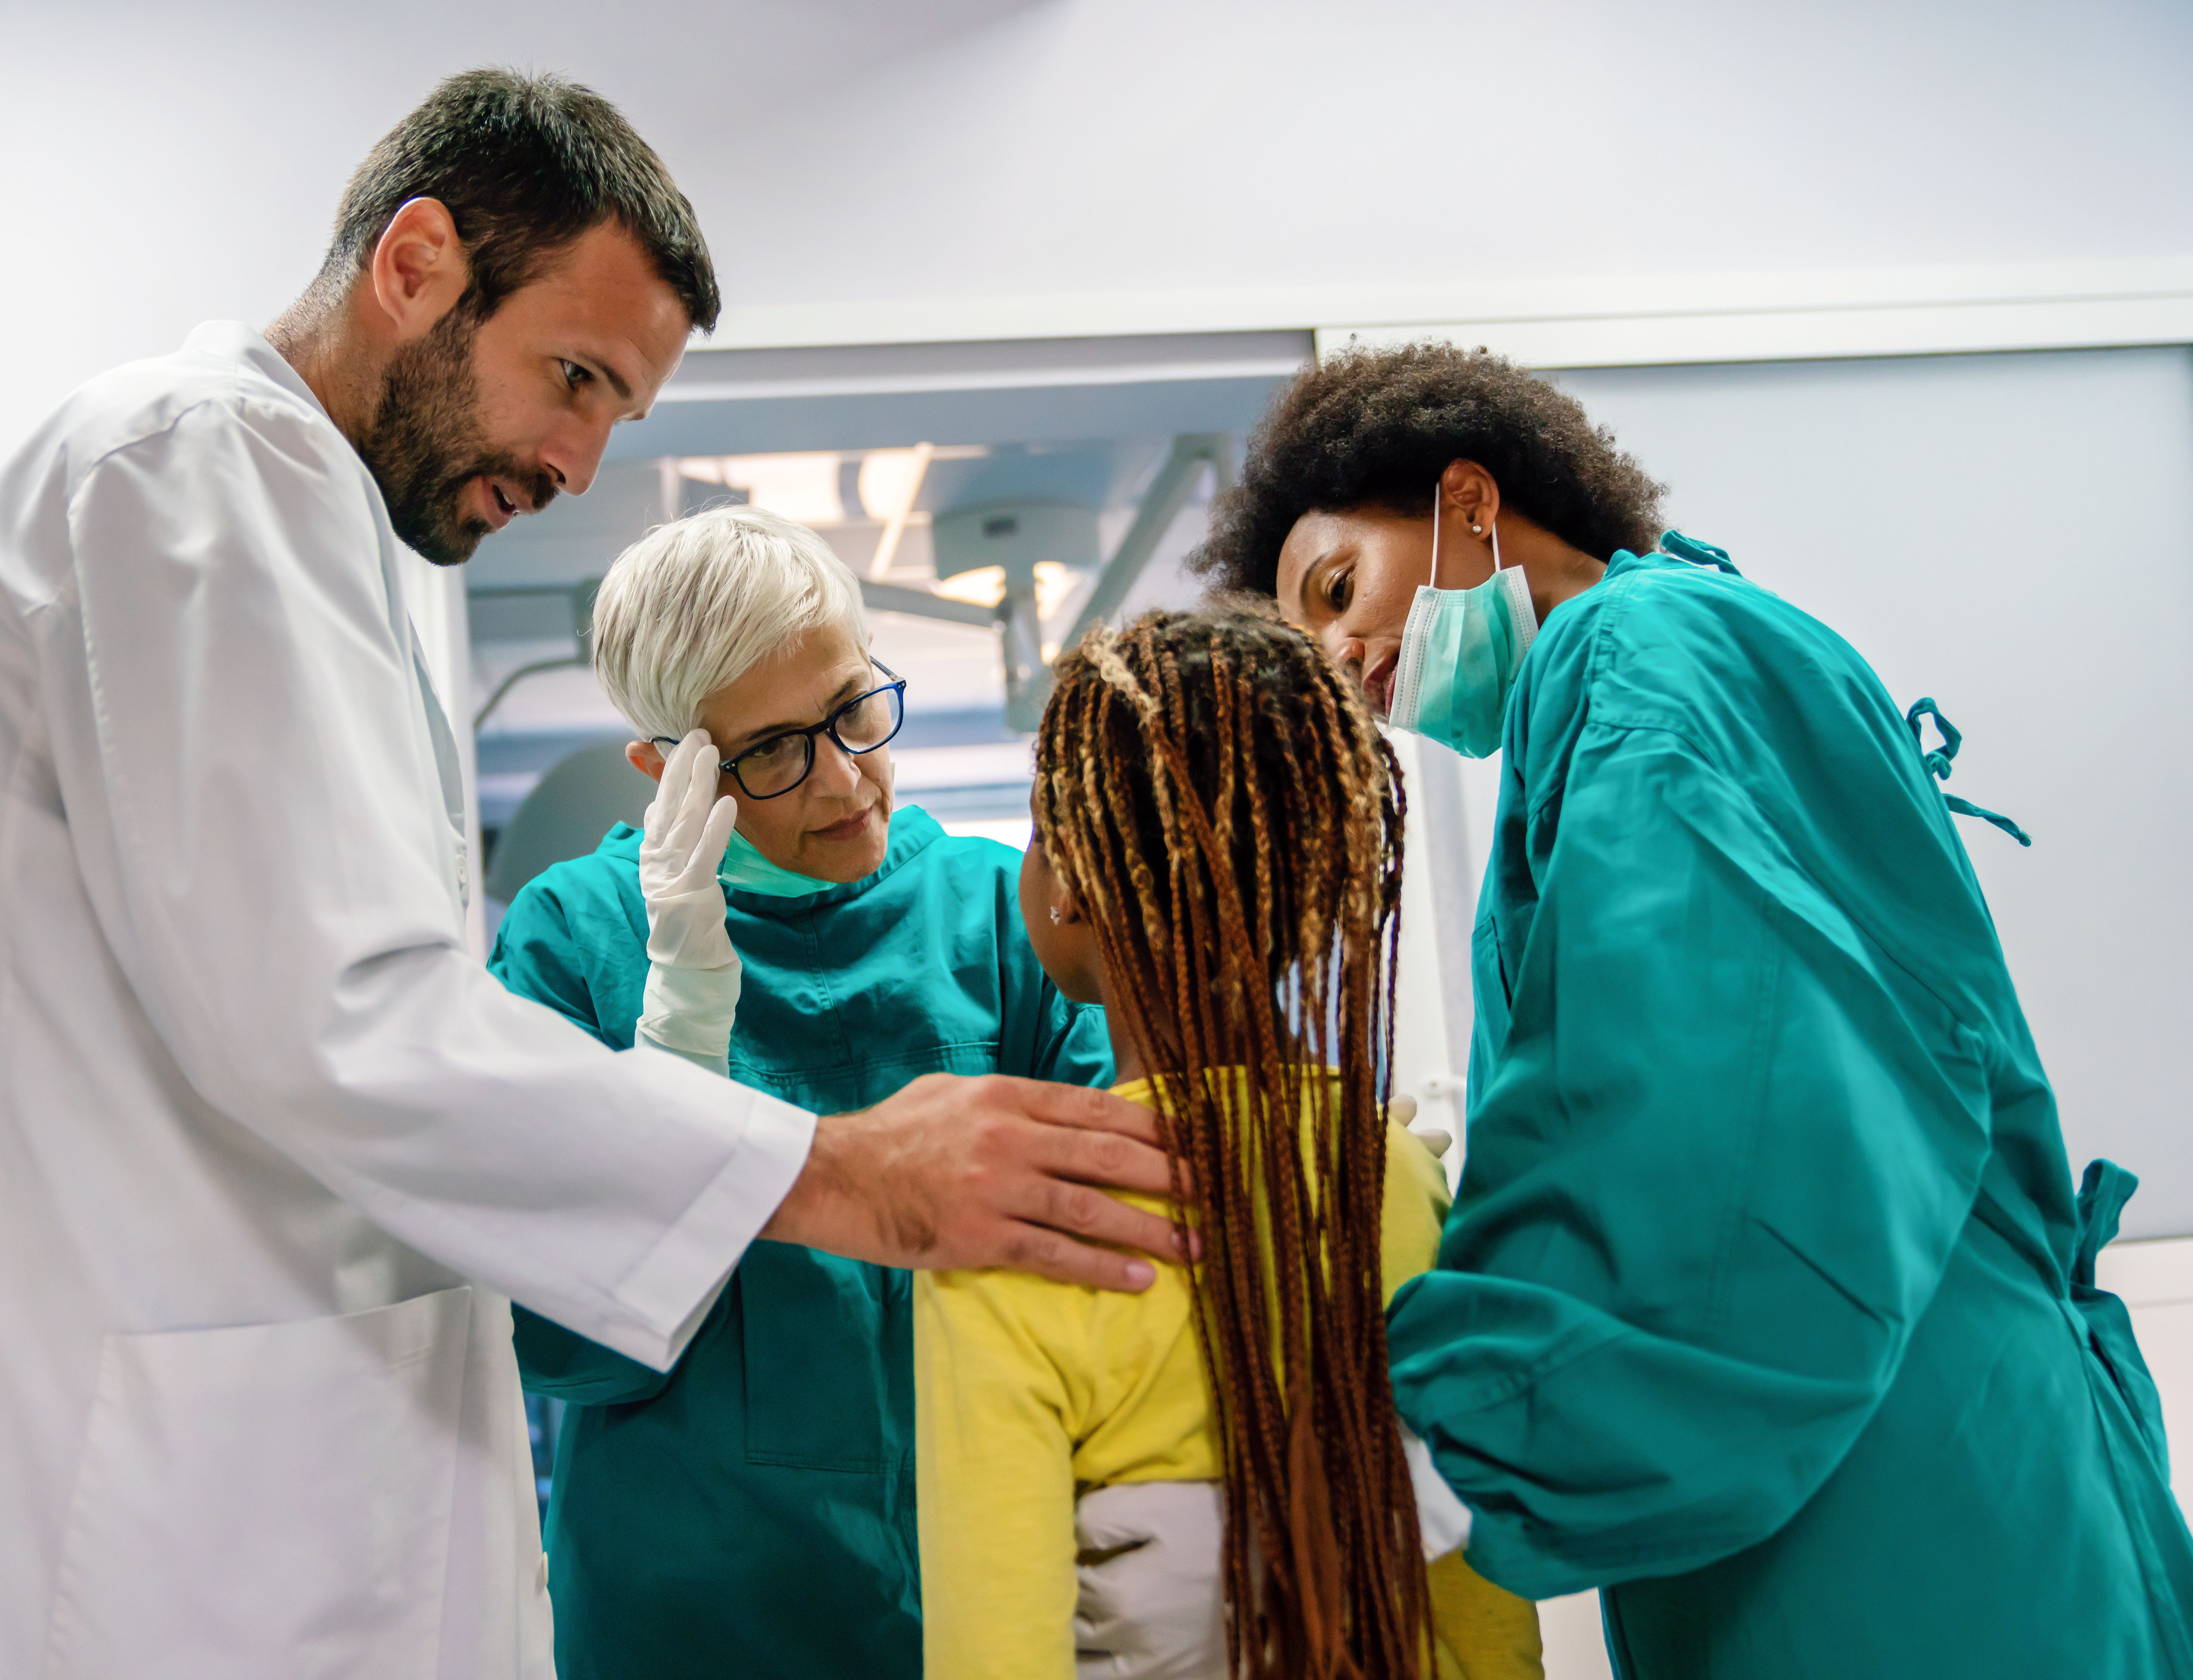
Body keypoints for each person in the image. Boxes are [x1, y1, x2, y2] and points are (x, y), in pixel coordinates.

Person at [0, 70, 1179, 1680]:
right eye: (568, 376)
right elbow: (337, 1016)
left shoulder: (299, 527)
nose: (578, 460)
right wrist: (840, 1166)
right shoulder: (187, 469)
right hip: (154, 1527)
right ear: (415, 263)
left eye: (615, 414)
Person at [1194, 341, 2193, 1677]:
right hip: (1889, 1436)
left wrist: (1423, 1465)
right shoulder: (1661, 657)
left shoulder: (1648, 659)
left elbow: (1697, 1115)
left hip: (1885, 1494)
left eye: (1336, 588)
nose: (1334, 654)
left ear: (1470, 502)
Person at [486, 504, 1116, 1679]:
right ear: (660, 766)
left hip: (994, 1590)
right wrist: (678, 1020)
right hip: (688, 1618)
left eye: (853, 710)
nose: (844, 779)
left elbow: (1120, 1243)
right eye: (772, 751)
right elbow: (557, 1338)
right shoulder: (575, 938)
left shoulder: (1003, 914)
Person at [914, 609, 1543, 1680]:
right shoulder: (1391, 1180)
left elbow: (993, 1651)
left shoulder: (1012, 1231)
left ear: (1064, 881)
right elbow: (1478, 1598)